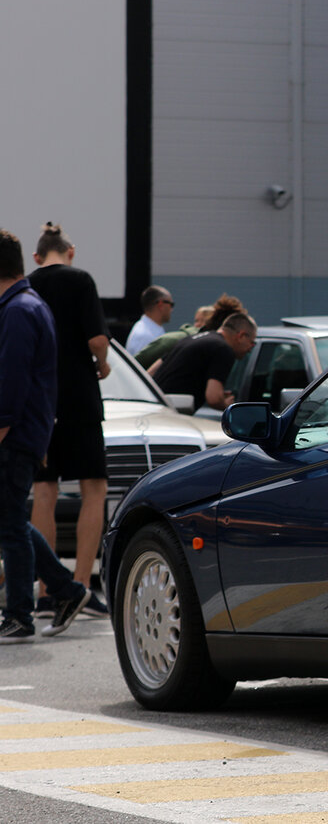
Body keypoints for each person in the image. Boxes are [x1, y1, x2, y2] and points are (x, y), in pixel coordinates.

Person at [0, 229, 93, 642]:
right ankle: (67, 589)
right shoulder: (24, 304)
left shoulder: (19, 310)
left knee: (9, 524)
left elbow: (11, 383)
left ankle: (20, 614)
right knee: (11, 519)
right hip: (26, 432)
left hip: (15, 433)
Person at [27, 223, 111, 615]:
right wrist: (103, 363)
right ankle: (79, 585)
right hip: (78, 395)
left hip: (39, 400)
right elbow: (97, 339)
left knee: (44, 492)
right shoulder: (80, 280)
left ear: (37, 256)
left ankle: (47, 589)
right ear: (71, 251)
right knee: (93, 488)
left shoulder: (25, 285)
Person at [153, 312, 258, 413]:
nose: (250, 349)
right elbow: (214, 399)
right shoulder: (223, 349)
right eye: (252, 343)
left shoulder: (190, 339)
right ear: (241, 336)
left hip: (152, 406)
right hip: (170, 415)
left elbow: (151, 372)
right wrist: (226, 404)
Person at [137, 296, 238, 370]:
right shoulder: (173, 341)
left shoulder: (211, 350)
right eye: (197, 321)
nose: (198, 325)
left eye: (202, 321)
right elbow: (133, 365)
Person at [124, 285, 174, 354]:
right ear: (161, 304)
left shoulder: (150, 330)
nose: (172, 309)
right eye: (171, 304)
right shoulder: (144, 335)